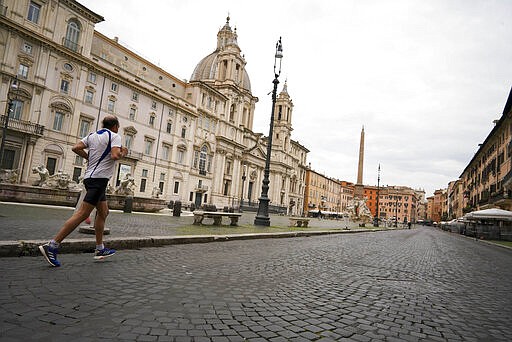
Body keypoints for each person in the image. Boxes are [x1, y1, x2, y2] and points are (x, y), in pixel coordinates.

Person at [39, 115, 128, 267]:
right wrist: (124, 152)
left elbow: (75, 148)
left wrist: (89, 157)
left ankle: (100, 249)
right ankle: (52, 245)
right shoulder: (114, 136)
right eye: (118, 127)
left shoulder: (92, 136)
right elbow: (114, 156)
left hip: (91, 178)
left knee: (104, 212)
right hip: (98, 180)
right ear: (115, 126)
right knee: (83, 214)